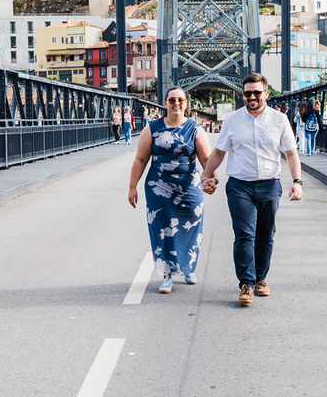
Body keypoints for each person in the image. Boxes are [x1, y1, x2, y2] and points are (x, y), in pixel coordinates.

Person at [201, 72, 303, 306]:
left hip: (270, 185)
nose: (252, 97)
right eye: (248, 93)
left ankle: (260, 279)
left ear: (266, 93)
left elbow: (290, 153)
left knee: (266, 235)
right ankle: (246, 283)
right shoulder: (232, 120)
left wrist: (297, 181)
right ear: (243, 95)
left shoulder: (279, 120)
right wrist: (205, 176)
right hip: (240, 186)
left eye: (257, 93)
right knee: (245, 234)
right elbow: (219, 152)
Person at [128, 87, 211, 294]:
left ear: (186, 103)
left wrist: (211, 178)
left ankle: (187, 267)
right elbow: (141, 159)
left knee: (191, 226)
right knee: (163, 229)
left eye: (180, 100)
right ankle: (167, 275)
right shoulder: (152, 128)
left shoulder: (195, 129)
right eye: (172, 100)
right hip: (159, 187)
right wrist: (132, 187)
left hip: (189, 187)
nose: (176, 103)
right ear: (165, 103)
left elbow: (206, 160)